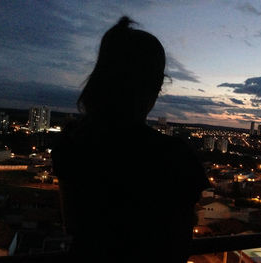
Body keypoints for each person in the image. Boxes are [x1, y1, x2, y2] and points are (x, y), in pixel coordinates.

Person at [52, 16, 209, 263]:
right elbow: (178, 244)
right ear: (152, 85)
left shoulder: (72, 142)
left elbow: (73, 225)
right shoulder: (172, 156)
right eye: (160, 81)